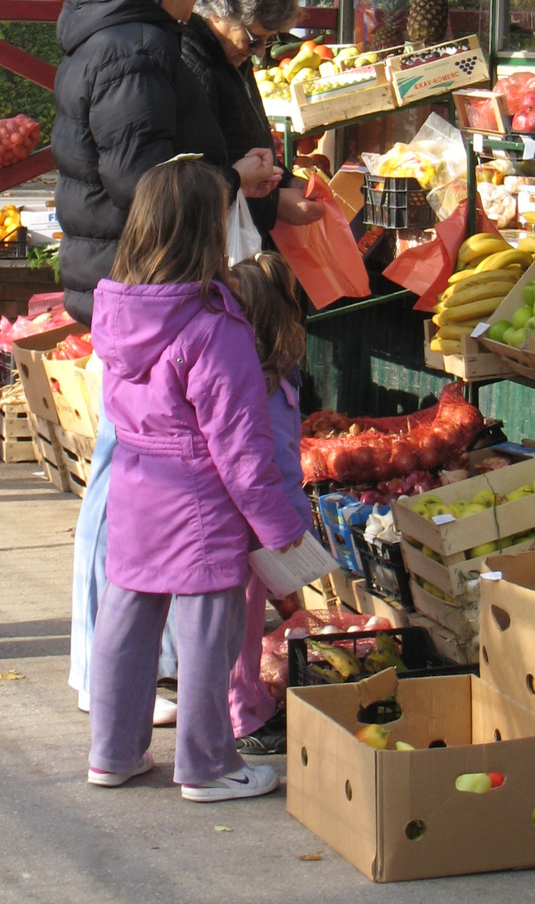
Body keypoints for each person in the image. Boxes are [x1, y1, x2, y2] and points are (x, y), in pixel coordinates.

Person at [55, 0, 282, 716]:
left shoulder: (112, 33)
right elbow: (145, 175)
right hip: (143, 277)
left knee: (126, 471)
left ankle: (117, 672)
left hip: (128, 274)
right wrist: (232, 178)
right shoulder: (139, 45)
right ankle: (116, 671)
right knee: (127, 475)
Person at [85, 159, 307, 801]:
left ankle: (113, 752)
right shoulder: (215, 324)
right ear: (204, 232)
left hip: (135, 484)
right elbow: (240, 445)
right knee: (209, 630)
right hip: (200, 500)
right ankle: (209, 764)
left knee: (126, 614)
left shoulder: (116, 310)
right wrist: (279, 527)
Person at [226, 252, 313, 757]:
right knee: (242, 619)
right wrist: (292, 525)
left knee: (236, 619)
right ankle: (245, 714)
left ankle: (239, 703)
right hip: (259, 521)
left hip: (238, 517)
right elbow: (277, 464)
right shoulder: (274, 383)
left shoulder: (248, 378)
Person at [181, 0, 324, 241]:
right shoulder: (194, 67)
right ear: (218, 13)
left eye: (268, 40)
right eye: (253, 38)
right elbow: (198, 180)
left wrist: (286, 179)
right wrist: (273, 206)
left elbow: (246, 141)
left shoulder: (233, 57)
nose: (260, 51)